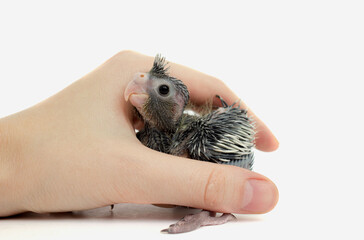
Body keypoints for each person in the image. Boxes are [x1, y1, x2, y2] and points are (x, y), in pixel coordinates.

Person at [0, 51, 279, 217]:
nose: (139, 85)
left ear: (179, 104)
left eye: (163, 90)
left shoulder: (199, 137)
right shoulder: (144, 140)